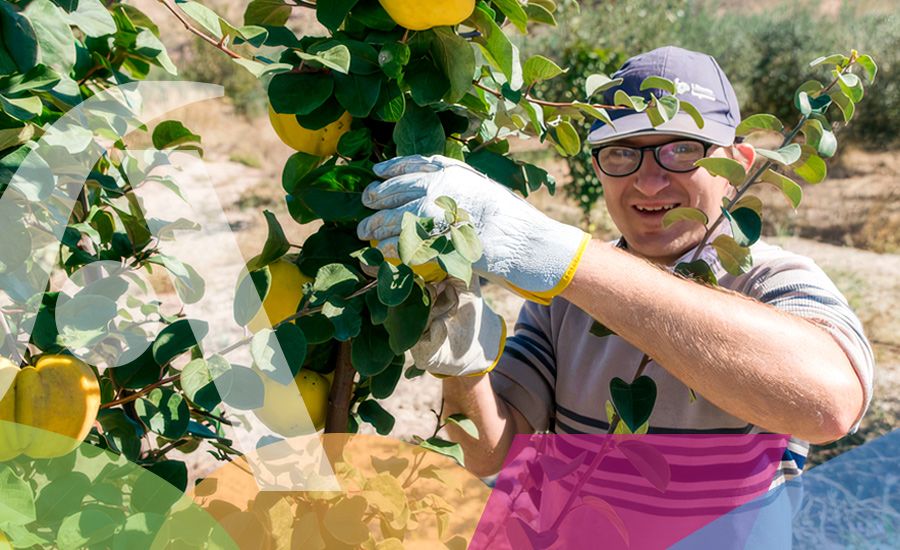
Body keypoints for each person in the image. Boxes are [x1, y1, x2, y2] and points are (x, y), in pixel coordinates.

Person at [356, 46, 874, 485]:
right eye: (623, 153)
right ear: (598, 169)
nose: (649, 181)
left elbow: (830, 406)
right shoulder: (563, 300)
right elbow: (489, 454)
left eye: (682, 150)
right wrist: (463, 365)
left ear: (735, 165)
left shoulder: (774, 279)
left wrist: (565, 255)